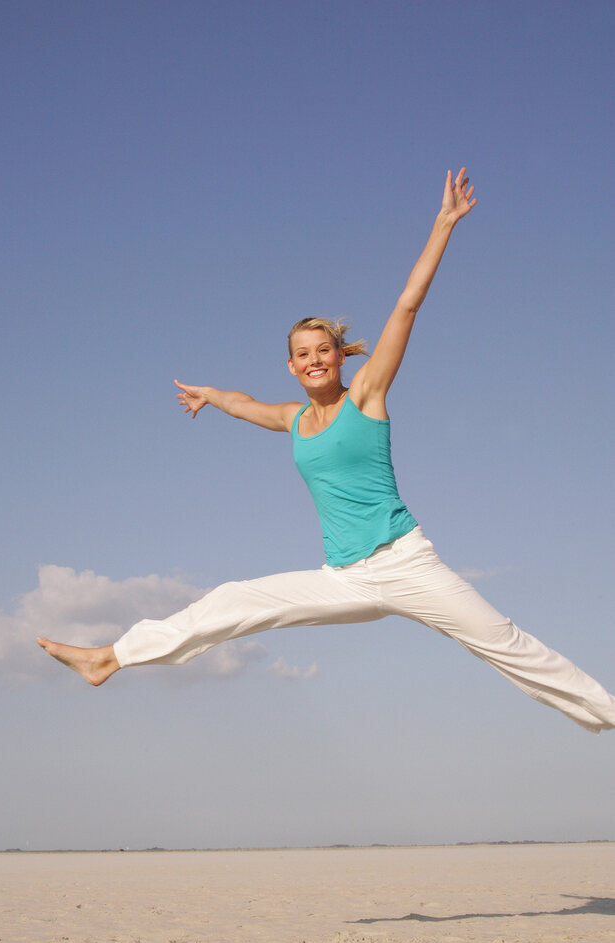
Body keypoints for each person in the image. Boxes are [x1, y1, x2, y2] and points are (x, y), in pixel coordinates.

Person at [37, 168, 615, 733]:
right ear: (290, 366)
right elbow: (244, 405)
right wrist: (210, 396)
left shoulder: (366, 396)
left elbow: (407, 307)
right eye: (302, 353)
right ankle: (109, 659)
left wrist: (443, 225)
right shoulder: (294, 420)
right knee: (233, 600)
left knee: (505, 645)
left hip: (406, 563)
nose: (314, 359)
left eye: (323, 350)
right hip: (344, 578)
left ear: (341, 358)